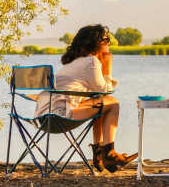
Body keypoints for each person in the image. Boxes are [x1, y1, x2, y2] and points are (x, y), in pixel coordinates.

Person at [35, 24, 137, 173]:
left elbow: (98, 95)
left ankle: (100, 154)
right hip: (61, 116)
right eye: (105, 39)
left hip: (42, 117)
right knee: (112, 104)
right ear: (94, 42)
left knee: (99, 102)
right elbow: (105, 90)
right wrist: (107, 66)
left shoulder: (73, 63)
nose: (109, 42)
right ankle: (108, 153)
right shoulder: (91, 62)